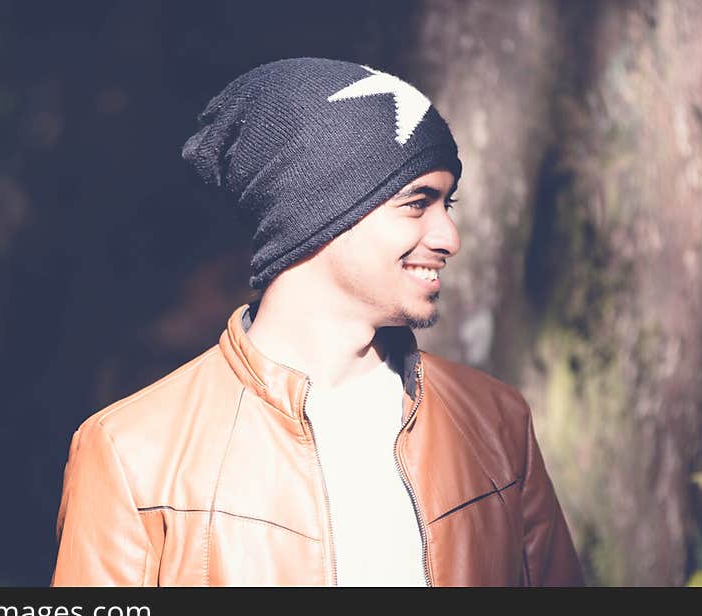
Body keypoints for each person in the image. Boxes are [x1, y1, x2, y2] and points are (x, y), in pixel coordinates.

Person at [50, 57, 584, 586]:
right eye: (417, 203)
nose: (450, 237)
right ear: (318, 215)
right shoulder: (132, 451)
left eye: (448, 202)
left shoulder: (496, 421)